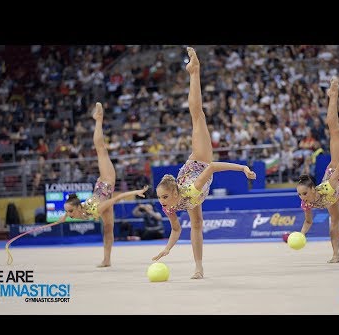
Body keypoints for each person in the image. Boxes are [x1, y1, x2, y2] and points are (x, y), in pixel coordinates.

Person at [151, 47, 256, 279]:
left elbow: (212, 167)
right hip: (192, 186)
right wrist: (167, 249)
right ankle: (199, 268)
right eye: (160, 198)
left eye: (164, 197)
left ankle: (194, 71)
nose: (162, 202)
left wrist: (243, 168)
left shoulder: (191, 188)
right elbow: (177, 229)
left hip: (200, 160)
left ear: (175, 192)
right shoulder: (170, 205)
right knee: (196, 223)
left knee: (196, 114)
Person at [62, 102, 149, 267]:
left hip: (106, 181)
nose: (68, 214)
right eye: (68, 212)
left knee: (100, 149)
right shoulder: (78, 211)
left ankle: (99, 119)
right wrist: (64, 216)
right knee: (108, 229)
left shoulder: (96, 209)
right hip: (102, 194)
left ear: (78, 207)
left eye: (69, 211)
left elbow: (117, 199)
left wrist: (136, 192)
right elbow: (72, 213)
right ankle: (107, 260)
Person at [296, 77, 339, 264]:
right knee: (335, 222)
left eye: (304, 193)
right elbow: (308, 222)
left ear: (313, 189)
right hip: (335, 195)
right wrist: (301, 235)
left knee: (334, 129)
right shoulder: (307, 204)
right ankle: (336, 254)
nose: (302, 198)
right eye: (300, 195)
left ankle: (334, 94)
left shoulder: (328, 186)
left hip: (335, 172)